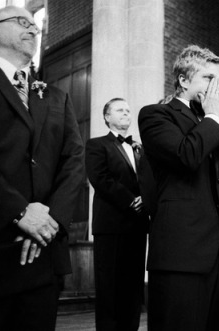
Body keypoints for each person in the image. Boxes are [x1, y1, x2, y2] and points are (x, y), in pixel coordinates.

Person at [0, 6, 84, 330]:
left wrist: (49, 222)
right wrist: (20, 212)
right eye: (21, 22)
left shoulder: (56, 96)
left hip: (42, 253)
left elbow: (74, 161)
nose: (33, 29)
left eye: (33, 24)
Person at [138, 45, 219, 331]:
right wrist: (214, 119)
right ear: (183, 80)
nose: (216, 86)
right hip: (182, 254)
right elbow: (185, 156)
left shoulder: (218, 121)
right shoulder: (156, 115)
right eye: (208, 78)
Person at [86, 98, 150, 331]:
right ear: (107, 117)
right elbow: (100, 178)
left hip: (137, 224)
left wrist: (146, 199)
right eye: (120, 110)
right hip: (111, 224)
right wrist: (131, 200)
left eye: (128, 110)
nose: (126, 113)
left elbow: (148, 180)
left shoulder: (140, 147)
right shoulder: (96, 145)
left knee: (133, 286)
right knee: (109, 286)